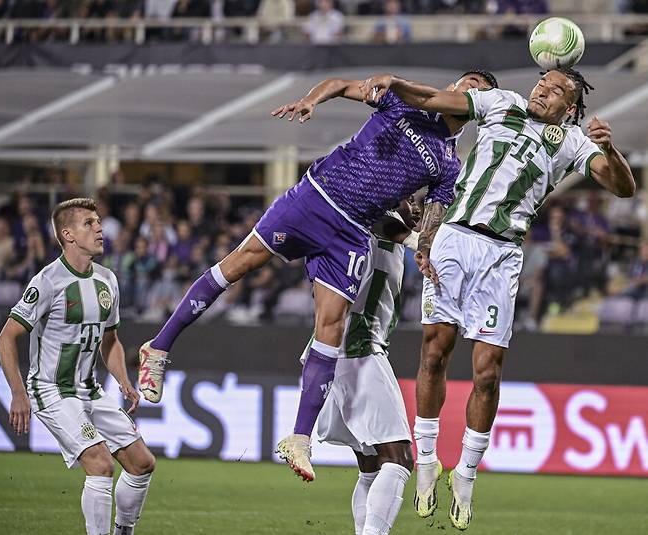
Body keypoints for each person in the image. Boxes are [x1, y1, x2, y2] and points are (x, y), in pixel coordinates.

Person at [138, 69, 499, 482]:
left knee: (331, 328)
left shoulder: (450, 164)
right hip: (317, 197)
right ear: (454, 88)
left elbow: (432, 216)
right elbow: (342, 85)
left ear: (479, 109)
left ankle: (299, 438)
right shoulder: (404, 101)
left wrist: (428, 244)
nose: (466, 90)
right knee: (239, 263)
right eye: (466, 82)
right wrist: (312, 99)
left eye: (479, 92)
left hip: (352, 233)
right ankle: (159, 347)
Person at [360, 68, 635, 529]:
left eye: (555, 90)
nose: (542, 90)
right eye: (541, 82)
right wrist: (399, 86)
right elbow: (436, 99)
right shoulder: (501, 103)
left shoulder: (572, 143)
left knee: (486, 371)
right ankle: (426, 458)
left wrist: (609, 147)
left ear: (570, 108)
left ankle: (466, 472)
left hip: (502, 254)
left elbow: (623, 186)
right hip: (452, 239)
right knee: (434, 350)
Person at [0, 198, 156, 535]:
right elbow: (6, 338)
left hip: (90, 390)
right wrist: (17, 393)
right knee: (99, 464)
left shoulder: (108, 280)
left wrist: (124, 382)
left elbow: (110, 340)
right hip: (52, 390)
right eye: (89, 223)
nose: (99, 228)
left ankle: (123, 531)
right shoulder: (47, 281)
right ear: (67, 234)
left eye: (98, 221)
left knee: (142, 463)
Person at [306, 198, 420, 535]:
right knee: (399, 460)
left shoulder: (364, 229)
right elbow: (391, 223)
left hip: (336, 353)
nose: (416, 206)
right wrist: (427, 237)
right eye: (410, 198)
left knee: (370, 466)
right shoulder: (376, 224)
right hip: (358, 350)